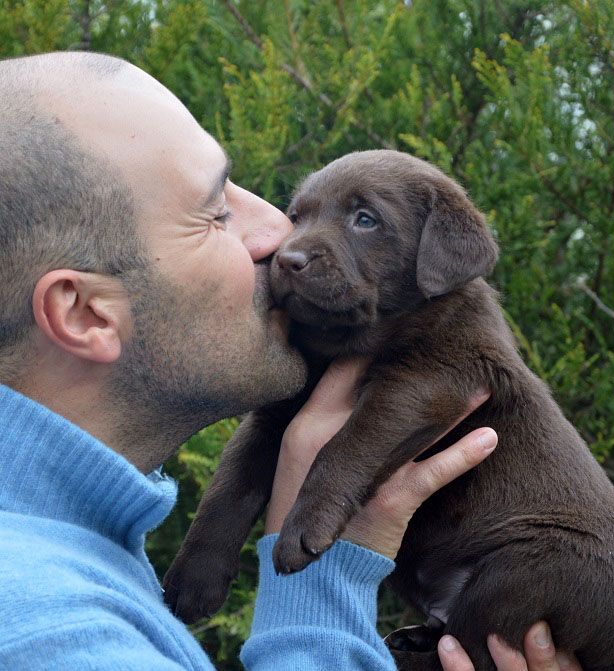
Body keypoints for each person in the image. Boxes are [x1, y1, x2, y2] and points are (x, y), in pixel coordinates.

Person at [0, 51, 581, 671]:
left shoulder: (84, 556)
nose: (281, 234)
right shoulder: (54, 634)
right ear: (86, 313)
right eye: (215, 212)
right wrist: (316, 602)